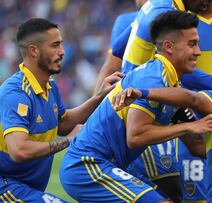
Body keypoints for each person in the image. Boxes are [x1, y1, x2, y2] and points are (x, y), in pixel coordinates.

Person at [59, 11, 212, 203]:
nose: (198, 51)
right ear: (168, 47)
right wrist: (187, 127)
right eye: (192, 44)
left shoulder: (171, 84)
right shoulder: (152, 78)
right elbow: (135, 136)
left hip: (110, 166)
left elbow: (197, 146)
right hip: (87, 166)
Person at [0, 18, 121, 202]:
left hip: (24, 188)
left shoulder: (50, 87)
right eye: (55, 46)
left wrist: (99, 97)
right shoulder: (16, 93)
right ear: (34, 50)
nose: (62, 52)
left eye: (61, 45)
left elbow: (63, 123)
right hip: (5, 186)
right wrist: (67, 141)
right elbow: (19, 150)